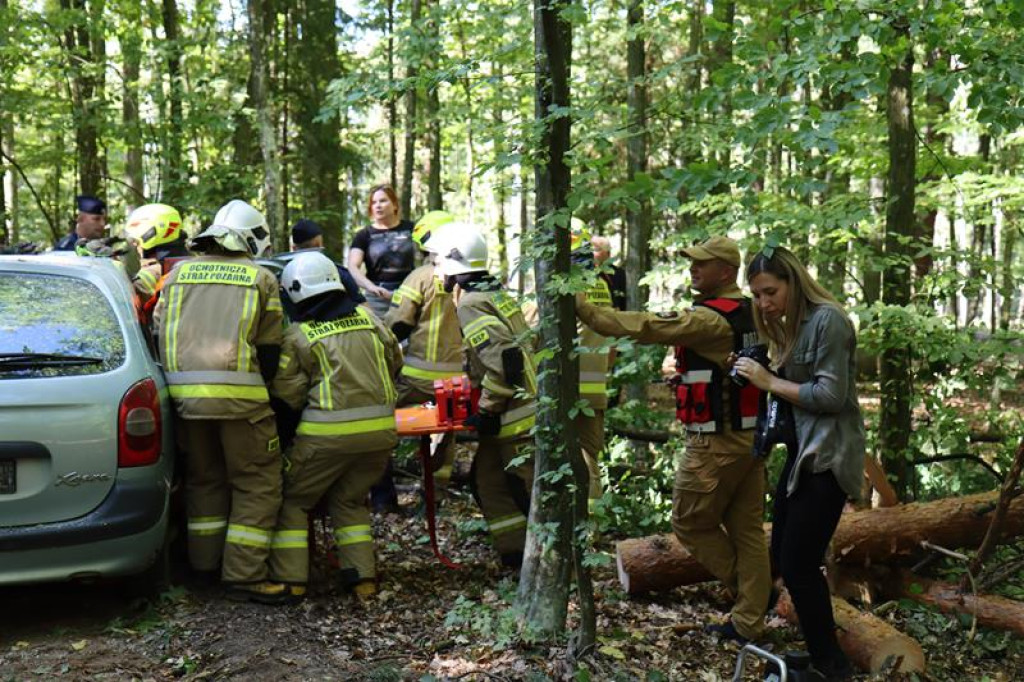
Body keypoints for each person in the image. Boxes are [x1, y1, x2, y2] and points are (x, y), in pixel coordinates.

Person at [575, 235, 771, 644]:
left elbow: (648, 326)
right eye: (692, 262)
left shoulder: (710, 319)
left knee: (688, 522)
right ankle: (750, 617)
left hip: (716, 443)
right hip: (751, 435)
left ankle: (756, 593)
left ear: (726, 271)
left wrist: (586, 310)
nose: (693, 269)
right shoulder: (754, 311)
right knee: (747, 529)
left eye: (702, 263)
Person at [732, 245, 864, 681]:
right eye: (757, 295)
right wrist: (760, 366)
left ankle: (833, 668)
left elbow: (830, 397)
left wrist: (769, 380)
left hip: (828, 455)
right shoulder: (788, 326)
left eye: (770, 291)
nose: (764, 302)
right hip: (801, 454)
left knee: (800, 561)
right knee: (787, 558)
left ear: (793, 281)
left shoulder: (829, 320)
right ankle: (823, 654)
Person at [153, 199, 287, 604]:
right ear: (252, 238)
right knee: (257, 484)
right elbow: (269, 350)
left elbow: (156, 331)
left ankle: (204, 567)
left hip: (184, 404)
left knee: (204, 480)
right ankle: (244, 576)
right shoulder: (259, 278)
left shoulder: (175, 275)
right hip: (242, 403)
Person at [267, 251, 402, 603]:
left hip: (325, 439)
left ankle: (291, 581)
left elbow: (288, 394)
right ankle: (363, 582)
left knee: (294, 500)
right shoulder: (371, 319)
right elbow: (395, 363)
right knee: (351, 500)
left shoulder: (299, 335)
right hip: (381, 435)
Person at [430, 223, 536, 569]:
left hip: (514, 416)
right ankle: (516, 555)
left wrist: (488, 411)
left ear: (455, 263)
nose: (436, 267)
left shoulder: (472, 303)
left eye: (438, 260)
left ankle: (545, 562)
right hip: (523, 408)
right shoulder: (498, 294)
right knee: (488, 481)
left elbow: (505, 360)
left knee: (525, 491)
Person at [383, 210, 463, 491]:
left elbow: (397, 324)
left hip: (417, 378)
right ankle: (437, 492)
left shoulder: (421, 277)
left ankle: (381, 489)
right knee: (447, 432)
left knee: (378, 415)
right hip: (457, 379)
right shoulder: (471, 277)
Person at [571, 221, 614, 504]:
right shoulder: (599, 284)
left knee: (579, 460)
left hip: (570, 388)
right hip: (597, 385)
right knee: (591, 458)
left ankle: (582, 529)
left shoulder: (567, 286)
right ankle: (594, 525)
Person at [347, 184, 417, 318]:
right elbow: (352, 266)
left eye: (383, 201)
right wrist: (371, 287)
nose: (378, 205)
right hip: (377, 297)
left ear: (395, 205)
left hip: (409, 293)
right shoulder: (364, 234)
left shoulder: (412, 229)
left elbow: (429, 256)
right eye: (374, 202)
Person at [288, 218, 364, 307]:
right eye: (310, 247)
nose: (318, 250)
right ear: (294, 249)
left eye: (318, 246)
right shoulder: (286, 278)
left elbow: (364, 306)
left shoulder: (339, 273)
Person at [124, 203, 189, 306]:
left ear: (150, 234)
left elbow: (121, 297)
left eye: (136, 241)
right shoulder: (192, 263)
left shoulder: (151, 275)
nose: (135, 245)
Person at [591, 235, 627, 311]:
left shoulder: (619, 273)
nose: (592, 253)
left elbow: (622, 300)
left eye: (597, 249)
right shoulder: (586, 272)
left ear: (607, 253)